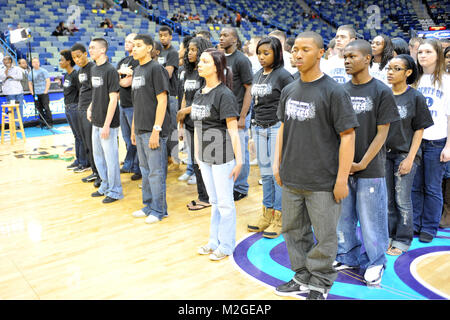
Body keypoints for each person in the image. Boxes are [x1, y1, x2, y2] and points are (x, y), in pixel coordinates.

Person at [273, 31, 358, 300]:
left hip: (323, 180)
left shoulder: (334, 91)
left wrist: (342, 179)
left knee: (325, 236)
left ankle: (320, 282)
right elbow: (283, 129)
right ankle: (301, 276)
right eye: (295, 49)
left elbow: (348, 136)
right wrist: (277, 165)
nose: (298, 54)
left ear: (321, 52)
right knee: (293, 232)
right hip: (292, 177)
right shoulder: (289, 89)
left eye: (305, 49)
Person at [335, 39, 400, 287]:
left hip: (369, 168)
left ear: (368, 58)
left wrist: (361, 163)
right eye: (345, 57)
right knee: (345, 217)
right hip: (344, 167)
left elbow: (382, 134)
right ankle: (348, 256)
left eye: (352, 56)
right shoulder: (341, 91)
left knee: (372, 219)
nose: (347, 61)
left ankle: (376, 263)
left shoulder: (381, 91)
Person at [193, 48, 242, 261]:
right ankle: (213, 241)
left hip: (222, 156)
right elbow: (196, 126)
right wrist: (196, 153)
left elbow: (233, 130)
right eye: (200, 61)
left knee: (225, 203)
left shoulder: (224, 94)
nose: (199, 64)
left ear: (217, 67)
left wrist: (239, 161)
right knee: (214, 202)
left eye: (205, 61)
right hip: (204, 156)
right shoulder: (198, 92)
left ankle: (227, 245)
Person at [385, 54, 434, 255]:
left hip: (405, 154)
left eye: (396, 69)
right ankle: (389, 234)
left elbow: (419, 130)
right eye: (389, 68)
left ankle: (403, 239)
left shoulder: (415, 97)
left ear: (408, 73)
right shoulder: (383, 95)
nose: (390, 72)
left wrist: (410, 158)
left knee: (402, 199)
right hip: (384, 155)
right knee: (387, 199)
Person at [246, 36, 294, 239]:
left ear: (277, 53)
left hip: (276, 127)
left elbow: (291, 104)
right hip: (258, 128)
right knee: (265, 174)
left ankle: (280, 218)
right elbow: (254, 105)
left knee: (277, 175)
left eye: (266, 53)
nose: (261, 57)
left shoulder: (284, 76)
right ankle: (266, 214)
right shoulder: (257, 75)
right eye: (259, 53)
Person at [129, 34, 171, 224]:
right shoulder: (137, 69)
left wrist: (156, 130)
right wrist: (133, 129)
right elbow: (137, 103)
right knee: (145, 171)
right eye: (133, 46)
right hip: (140, 128)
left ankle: (159, 210)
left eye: (138, 46)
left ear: (149, 48)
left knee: (156, 172)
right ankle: (148, 205)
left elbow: (162, 100)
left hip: (154, 130)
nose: (134, 49)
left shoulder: (156, 69)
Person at [412, 38, 450, 243]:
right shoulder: (414, 80)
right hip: (416, 141)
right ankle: (415, 224)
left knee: (433, 187)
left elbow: (449, 116)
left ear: (438, 55)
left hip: (437, 141)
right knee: (415, 186)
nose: (423, 55)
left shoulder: (446, 80)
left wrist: (449, 146)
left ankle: (429, 226)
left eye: (428, 52)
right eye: (420, 52)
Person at [176, 37, 214, 211]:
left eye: (193, 50)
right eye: (188, 49)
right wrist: (181, 121)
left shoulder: (205, 73)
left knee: (205, 163)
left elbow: (205, 99)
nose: (189, 53)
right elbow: (185, 95)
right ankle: (203, 196)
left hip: (203, 124)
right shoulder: (189, 71)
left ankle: (208, 197)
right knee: (195, 161)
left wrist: (184, 111)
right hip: (190, 123)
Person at [87, 38, 123, 203]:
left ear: (103, 50)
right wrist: (90, 107)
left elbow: (114, 99)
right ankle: (105, 185)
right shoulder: (94, 68)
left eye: (93, 47)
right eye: (90, 47)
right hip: (96, 119)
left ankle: (115, 191)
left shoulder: (110, 70)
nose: (90, 50)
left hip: (108, 122)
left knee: (111, 159)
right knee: (98, 157)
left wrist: (107, 125)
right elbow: (96, 93)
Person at [219, 27, 253, 201]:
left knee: (240, 153)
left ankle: (241, 187)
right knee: (227, 152)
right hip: (223, 114)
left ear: (235, 39)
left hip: (237, 113)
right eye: (220, 35)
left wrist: (243, 116)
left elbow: (249, 89)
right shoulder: (219, 58)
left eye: (225, 35)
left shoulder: (241, 60)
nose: (221, 38)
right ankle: (230, 184)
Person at [71, 43, 100, 184]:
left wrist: (90, 108)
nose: (77, 59)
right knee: (87, 143)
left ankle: (100, 174)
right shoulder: (79, 71)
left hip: (90, 110)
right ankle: (94, 171)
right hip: (81, 109)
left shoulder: (93, 68)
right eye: (74, 58)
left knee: (93, 144)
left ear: (85, 54)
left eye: (79, 56)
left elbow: (97, 91)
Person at [117, 33, 142, 181]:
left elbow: (127, 83)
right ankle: (130, 164)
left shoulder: (137, 61)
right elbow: (115, 79)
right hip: (123, 104)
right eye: (125, 40)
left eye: (130, 41)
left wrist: (122, 78)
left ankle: (138, 168)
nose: (126, 43)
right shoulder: (122, 60)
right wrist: (121, 74)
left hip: (134, 105)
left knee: (135, 139)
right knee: (127, 138)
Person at [59, 49, 88, 172]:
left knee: (80, 136)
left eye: (61, 60)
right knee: (76, 136)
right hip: (68, 108)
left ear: (68, 61)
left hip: (75, 108)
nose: (60, 62)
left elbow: (81, 92)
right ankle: (78, 160)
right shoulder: (66, 75)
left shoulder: (76, 75)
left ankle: (84, 162)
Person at [158, 26, 180, 167]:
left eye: (165, 35)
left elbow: (168, 73)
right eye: (160, 35)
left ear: (170, 37)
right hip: (161, 94)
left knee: (172, 127)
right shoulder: (159, 51)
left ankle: (175, 156)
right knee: (163, 126)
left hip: (171, 94)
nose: (163, 38)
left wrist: (155, 74)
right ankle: (166, 156)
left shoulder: (172, 53)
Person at [28, 57, 53, 128]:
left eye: (37, 62)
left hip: (43, 93)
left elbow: (48, 81)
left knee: (46, 108)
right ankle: (42, 123)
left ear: (39, 63)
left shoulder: (44, 71)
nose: (35, 63)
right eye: (34, 62)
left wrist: (45, 91)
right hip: (36, 93)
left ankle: (49, 123)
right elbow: (30, 83)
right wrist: (32, 92)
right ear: (32, 64)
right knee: (39, 109)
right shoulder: (30, 73)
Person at [0, 56, 24, 126]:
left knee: (20, 108)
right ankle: (13, 125)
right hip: (9, 92)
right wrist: (6, 71)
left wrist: (11, 77)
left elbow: (20, 77)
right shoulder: (1, 69)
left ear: (10, 61)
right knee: (11, 109)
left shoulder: (17, 68)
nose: (4, 61)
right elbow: (2, 78)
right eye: (3, 60)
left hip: (18, 91)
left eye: (5, 60)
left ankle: (19, 125)